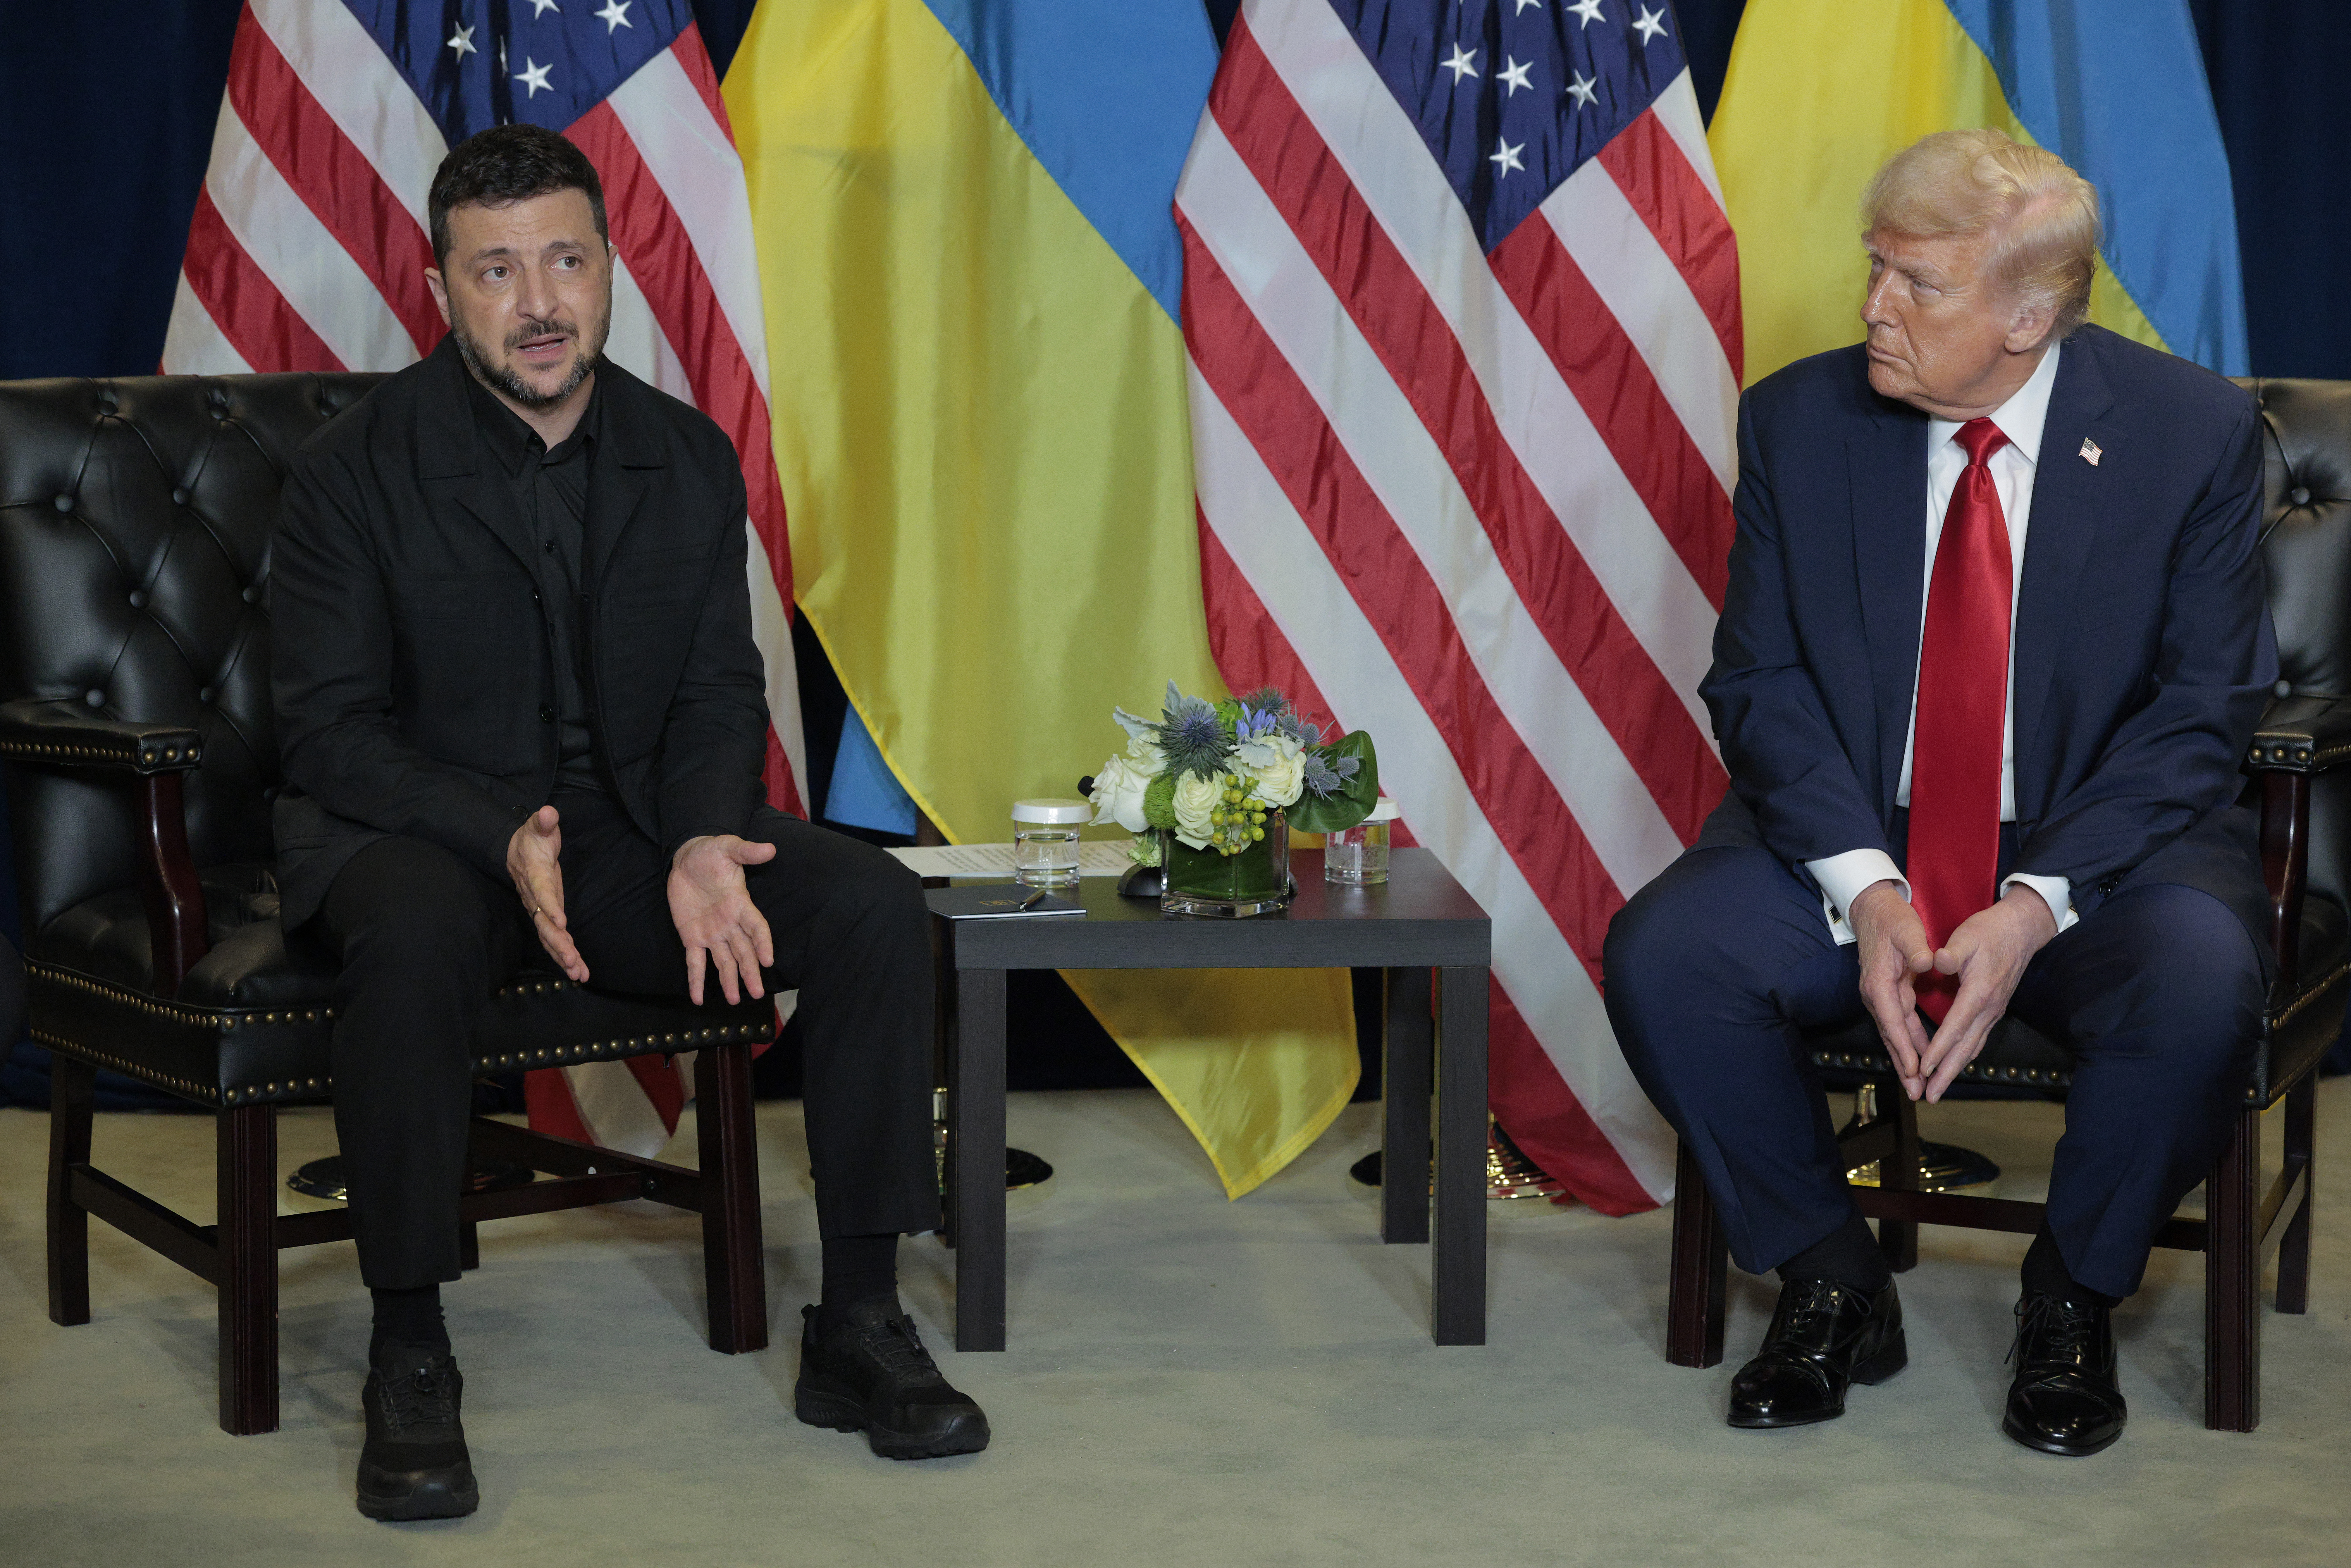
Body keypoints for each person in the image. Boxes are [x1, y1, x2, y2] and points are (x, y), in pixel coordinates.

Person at [271, 125, 988, 1521]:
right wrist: (497, 832)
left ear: (609, 270)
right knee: (413, 941)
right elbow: (331, 734)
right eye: (497, 271)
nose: (538, 302)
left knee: (872, 910)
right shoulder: (354, 471)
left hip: (625, 838)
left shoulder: (687, 455)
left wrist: (707, 839)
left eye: (565, 261)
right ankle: (411, 1350)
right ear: (440, 290)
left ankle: (856, 1322)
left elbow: (723, 684)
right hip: (423, 831)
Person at [1603, 129, 2273, 1458]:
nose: (1874, 310)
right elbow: (1760, 682)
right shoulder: (1801, 419)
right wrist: (1865, 883)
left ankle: (2071, 1298)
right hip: (1857, 830)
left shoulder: (2190, 434)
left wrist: (2032, 904)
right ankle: (1833, 1283)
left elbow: (2205, 713)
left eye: (1918, 284)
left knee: (2198, 981)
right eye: (1875, 269)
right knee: (1669, 955)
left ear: (2031, 316)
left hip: (2100, 851)